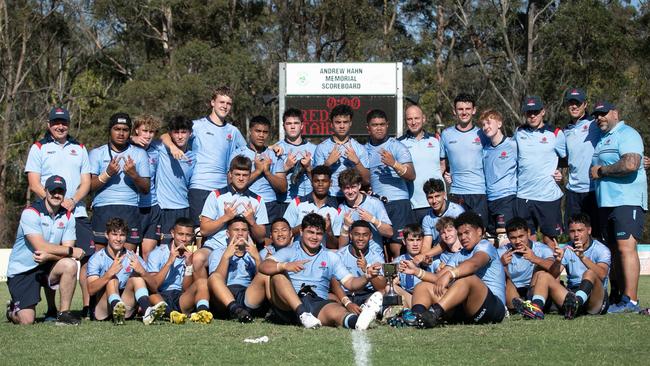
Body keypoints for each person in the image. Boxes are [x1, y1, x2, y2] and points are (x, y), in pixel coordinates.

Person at [24, 106, 94, 319]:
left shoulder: (79, 147)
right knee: (49, 259)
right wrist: (55, 202)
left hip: (77, 211)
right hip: (48, 214)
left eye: (63, 123)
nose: (60, 126)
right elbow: (34, 182)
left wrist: (73, 200)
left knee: (85, 259)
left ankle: (86, 307)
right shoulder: (38, 148)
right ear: (49, 125)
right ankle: (53, 309)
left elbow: (86, 182)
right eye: (56, 123)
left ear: (68, 125)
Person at [258, 213, 383, 330]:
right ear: (301, 232)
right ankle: (302, 313)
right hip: (289, 306)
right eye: (310, 232)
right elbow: (264, 266)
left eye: (318, 233)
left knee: (337, 311)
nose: (314, 237)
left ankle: (358, 322)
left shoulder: (331, 257)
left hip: (316, 303)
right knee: (277, 274)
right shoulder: (290, 251)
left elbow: (350, 283)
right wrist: (285, 266)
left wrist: (367, 276)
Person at [159, 86, 246, 228]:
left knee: (221, 231)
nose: (225, 106)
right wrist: (173, 147)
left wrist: (271, 148)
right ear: (213, 102)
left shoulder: (233, 131)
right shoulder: (197, 126)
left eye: (228, 103)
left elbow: (248, 150)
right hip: (199, 187)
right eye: (221, 102)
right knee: (198, 231)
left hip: (222, 188)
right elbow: (165, 136)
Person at [590, 100, 647, 313]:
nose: (599, 118)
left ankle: (631, 300)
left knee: (625, 249)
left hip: (627, 200)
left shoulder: (627, 133)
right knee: (613, 250)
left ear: (615, 113)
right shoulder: (604, 138)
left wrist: (602, 171)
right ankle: (618, 297)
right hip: (606, 203)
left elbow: (631, 164)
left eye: (603, 113)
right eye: (596, 115)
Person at [6, 175, 85, 325]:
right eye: (53, 191)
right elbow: (41, 246)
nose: (56, 195)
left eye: (60, 191)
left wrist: (51, 256)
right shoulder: (30, 213)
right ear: (45, 191)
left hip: (46, 262)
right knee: (26, 320)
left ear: (65, 193)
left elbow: (65, 252)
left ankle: (63, 314)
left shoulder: (68, 216)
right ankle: (12, 311)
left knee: (70, 265)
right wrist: (70, 251)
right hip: (23, 269)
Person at [406, 212, 506, 328]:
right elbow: (439, 278)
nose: (463, 237)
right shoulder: (459, 254)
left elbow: (474, 264)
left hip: (493, 308)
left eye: (467, 233)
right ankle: (417, 317)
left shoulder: (484, 246)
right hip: (466, 310)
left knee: (467, 278)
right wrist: (416, 271)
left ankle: (433, 314)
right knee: (423, 286)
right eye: (460, 234)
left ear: (479, 232)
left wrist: (450, 274)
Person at [195, 156, 268, 287]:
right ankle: (204, 298)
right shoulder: (216, 195)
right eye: (237, 174)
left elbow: (261, 237)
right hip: (216, 245)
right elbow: (204, 230)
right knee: (197, 258)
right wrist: (225, 217)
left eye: (245, 175)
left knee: (266, 263)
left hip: (245, 246)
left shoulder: (257, 200)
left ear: (250, 175)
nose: (241, 178)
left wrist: (252, 222)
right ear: (230, 174)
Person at [521, 213, 610, 319]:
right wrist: (558, 261)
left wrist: (583, 257)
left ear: (589, 230)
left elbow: (602, 274)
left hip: (595, 299)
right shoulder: (567, 249)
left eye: (580, 230)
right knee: (543, 275)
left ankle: (576, 302)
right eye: (572, 231)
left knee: (589, 272)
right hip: (572, 295)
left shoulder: (601, 249)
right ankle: (535, 309)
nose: (576, 235)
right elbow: (553, 276)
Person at [89, 113, 150, 252]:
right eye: (117, 129)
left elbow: (146, 189)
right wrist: (107, 174)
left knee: (127, 260)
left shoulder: (140, 153)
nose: (121, 133)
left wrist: (134, 175)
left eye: (125, 130)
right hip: (103, 208)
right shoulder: (97, 153)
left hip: (130, 209)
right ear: (110, 130)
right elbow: (90, 186)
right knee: (99, 257)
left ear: (130, 132)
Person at [86, 218, 166, 325]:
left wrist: (143, 272)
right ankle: (116, 307)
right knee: (112, 279)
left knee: (137, 277)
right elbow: (91, 290)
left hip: (126, 305)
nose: (118, 239)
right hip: (102, 309)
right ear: (106, 235)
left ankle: (147, 311)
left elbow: (154, 287)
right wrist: (109, 273)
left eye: (122, 235)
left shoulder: (132, 257)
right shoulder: (97, 258)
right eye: (114, 234)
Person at [514, 96, 566, 249]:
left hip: (548, 197)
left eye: (535, 112)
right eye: (529, 112)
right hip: (523, 196)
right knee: (525, 241)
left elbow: (566, 158)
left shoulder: (556, 133)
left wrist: (560, 174)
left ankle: (552, 273)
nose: (532, 115)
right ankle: (530, 274)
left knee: (550, 241)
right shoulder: (519, 131)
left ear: (543, 112)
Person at [365, 109, 416, 258]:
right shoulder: (363, 149)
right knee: (379, 247)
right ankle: (386, 280)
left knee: (397, 248)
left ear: (387, 125)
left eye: (382, 124)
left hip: (398, 203)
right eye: (375, 125)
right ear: (368, 127)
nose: (379, 128)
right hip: (376, 204)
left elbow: (411, 175)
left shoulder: (397, 146)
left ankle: (400, 280)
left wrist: (394, 163)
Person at [439, 93, 489, 227]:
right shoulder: (446, 134)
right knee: (457, 233)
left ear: (474, 110)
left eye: (467, 109)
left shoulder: (483, 134)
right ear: (454, 111)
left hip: (479, 192)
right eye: (460, 109)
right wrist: (444, 179)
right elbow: (442, 163)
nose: (464, 112)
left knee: (479, 232)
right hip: (456, 192)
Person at [206, 217, 268, 323]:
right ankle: (236, 309)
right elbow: (217, 280)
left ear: (248, 233)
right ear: (227, 233)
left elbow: (260, 280)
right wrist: (226, 258)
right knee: (214, 277)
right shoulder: (217, 253)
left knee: (266, 274)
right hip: (224, 296)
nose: (240, 233)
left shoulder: (252, 253)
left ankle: (270, 310)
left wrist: (257, 258)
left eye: (244, 230)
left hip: (246, 294)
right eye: (236, 230)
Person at [231, 115, 287, 222]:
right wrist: (257, 171)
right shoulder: (238, 153)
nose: (261, 135)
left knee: (268, 239)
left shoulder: (274, 154)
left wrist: (267, 172)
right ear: (250, 131)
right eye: (258, 131)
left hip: (269, 205)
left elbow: (283, 188)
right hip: (245, 203)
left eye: (265, 132)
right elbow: (232, 184)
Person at [145, 217, 201, 324]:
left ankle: (199, 312)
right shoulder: (157, 253)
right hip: (160, 295)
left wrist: (189, 266)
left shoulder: (193, 256)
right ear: (173, 233)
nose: (184, 239)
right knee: (149, 291)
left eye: (188, 235)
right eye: (180, 234)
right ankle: (170, 313)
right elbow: (154, 285)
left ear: (192, 237)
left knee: (201, 284)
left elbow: (186, 289)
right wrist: (169, 262)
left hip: (181, 297)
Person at [562, 88, 600, 234]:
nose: (574, 106)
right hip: (573, 191)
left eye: (577, 103)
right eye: (571, 103)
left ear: (585, 104)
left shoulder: (595, 124)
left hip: (593, 190)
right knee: (573, 234)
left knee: (596, 233)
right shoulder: (566, 130)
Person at [497, 217, 554, 312]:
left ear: (528, 233)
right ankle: (521, 306)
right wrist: (500, 263)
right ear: (508, 237)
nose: (518, 241)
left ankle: (534, 305)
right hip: (513, 291)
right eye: (513, 238)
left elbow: (555, 268)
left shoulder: (542, 248)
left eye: (521, 236)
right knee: (502, 271)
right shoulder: (502, 252)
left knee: (541, 269)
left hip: (534, 289)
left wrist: (535, 259)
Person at [398, 105, 443, 224]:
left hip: (437, 203)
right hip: (413, 205)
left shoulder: (437, 140)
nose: (413, 122)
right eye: (409, 119)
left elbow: (443, 165)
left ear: (424, 118)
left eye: (417, 118)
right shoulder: (398, 144)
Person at [154, 116, 196, 246]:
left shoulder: (194, 157)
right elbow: (162, 136)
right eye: (176, 132)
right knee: (163, 249)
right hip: (163, 208)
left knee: (183, 250)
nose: (180, 136)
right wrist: (172, 147)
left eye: (183, 132)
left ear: (190, 133)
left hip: (184, 208)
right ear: (171, 134)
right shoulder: (162, 149)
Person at [313, 104, 369, 197]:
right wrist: (327, 164)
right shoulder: (321, 148)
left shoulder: (360, 148)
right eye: (338, 122)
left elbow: (367, 180)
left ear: (350, 123)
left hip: (352, 197)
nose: (342, 126)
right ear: (331, 124)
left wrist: (357, 162)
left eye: (345, 122)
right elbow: (315, 180)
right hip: (330, 197)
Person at [283, 165, 341, 249]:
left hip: (322, 257)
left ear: (330, 183)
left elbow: (334, 246)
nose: (320, 184)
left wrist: (329, 230)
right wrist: (305, 224)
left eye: (324, 181)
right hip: (297, 253)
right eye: (316, 181)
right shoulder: (297, 203)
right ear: (311, 182)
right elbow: (285, 234)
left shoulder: (337, 209)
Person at [333, 220, 387, 312]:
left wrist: (367, 269)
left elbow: (381, 287)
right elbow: (334, 283)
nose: (361, 238)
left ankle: (366, 310)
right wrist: (347, 303)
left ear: (370, 236)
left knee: (382, 293)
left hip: (367, 294)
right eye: (357, 234)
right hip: (345, 295)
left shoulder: (376, 257)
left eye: (365, 235)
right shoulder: (340, 255)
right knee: (330, 297)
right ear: (350, 235)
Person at [337, 168, 393, 256]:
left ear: (359, 186)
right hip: (352, 257)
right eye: (347, 188)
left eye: (353, 187)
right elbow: (341, 246)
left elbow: (390, 233)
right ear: (341, 189)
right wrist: (346, 226)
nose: (350, 192)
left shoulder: (375, 203)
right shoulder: (341, 208)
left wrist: (372, 219)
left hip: (375, 256)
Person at [479, 109, 518, 236]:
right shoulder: (485, 150)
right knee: (491, 238)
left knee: (504, 238)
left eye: (489, 123)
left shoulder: (512, 144)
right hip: (489, 200)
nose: (486, 127)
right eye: (483, 124)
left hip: (507, 198)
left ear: (499, 124)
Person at [272, 107, 317, 215]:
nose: (292, 126)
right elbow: (271, 180)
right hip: (283, 201)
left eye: (296, 123)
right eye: (288, 123)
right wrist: (286, 167)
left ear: (301, 125)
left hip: (306, 201)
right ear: (283, 126)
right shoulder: (276, 149)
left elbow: (318, 181)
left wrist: (309, 168)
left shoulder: (314, 149)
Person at [130, 115, 162, 260]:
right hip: (133, 206)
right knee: (129, 253)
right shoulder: (127, 147)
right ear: (136, 130)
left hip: (152, 205)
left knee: (148, 254)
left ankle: (147, 282)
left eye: (151, 132)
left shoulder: (157, 149)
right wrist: (131, 138)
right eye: (144, 131)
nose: (148, 135)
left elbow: (169, 137)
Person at [421, 178, 464, 252]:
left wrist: (426, 255)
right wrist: (424, 258)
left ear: (444, 195)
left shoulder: (457, 211)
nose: (434, 201)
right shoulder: (427, 218)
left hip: (458, 251)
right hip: (437, 254)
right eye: (430, 198)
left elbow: (459, 238)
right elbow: (426, 244)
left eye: (437, 196)